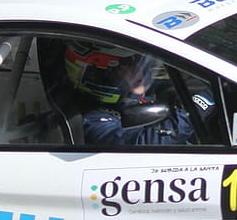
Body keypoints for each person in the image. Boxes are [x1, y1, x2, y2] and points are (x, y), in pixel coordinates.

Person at [63, 41, 201, 146]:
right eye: (125, 65)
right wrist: (199, 106)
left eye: (138, 62)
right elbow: (146, 143)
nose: (138, 71)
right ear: (98, 75)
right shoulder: (93, 121)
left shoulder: (133, 96)